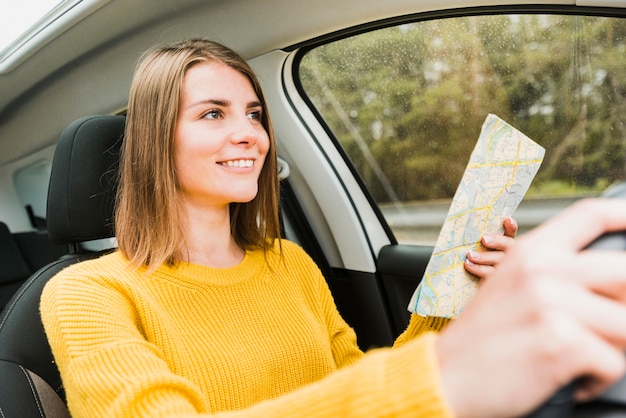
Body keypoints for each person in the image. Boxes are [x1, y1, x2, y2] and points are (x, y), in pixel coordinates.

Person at [39, 38, 626, 418]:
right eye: (212, 114)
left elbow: (364, 387)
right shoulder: (86, 294)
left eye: (254, 114)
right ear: (154, 141)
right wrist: (448, 373)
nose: (249, 133)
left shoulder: (288, 264)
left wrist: (456, 291)